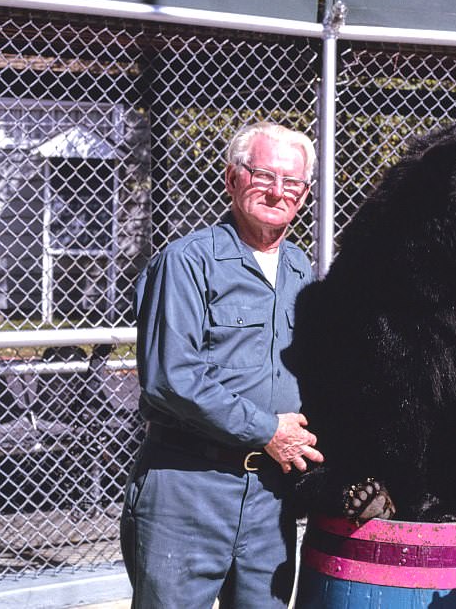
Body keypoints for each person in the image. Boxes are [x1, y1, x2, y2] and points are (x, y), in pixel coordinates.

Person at [120, 121, 324, 608]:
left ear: (306, 193)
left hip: (270, 496)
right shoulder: (187, 262)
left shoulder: (301, 270)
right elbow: (172, 379)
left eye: (291, 183)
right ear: (233, 179)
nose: (278, 192)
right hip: (187, 487)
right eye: (262, 175)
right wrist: (267, 431)